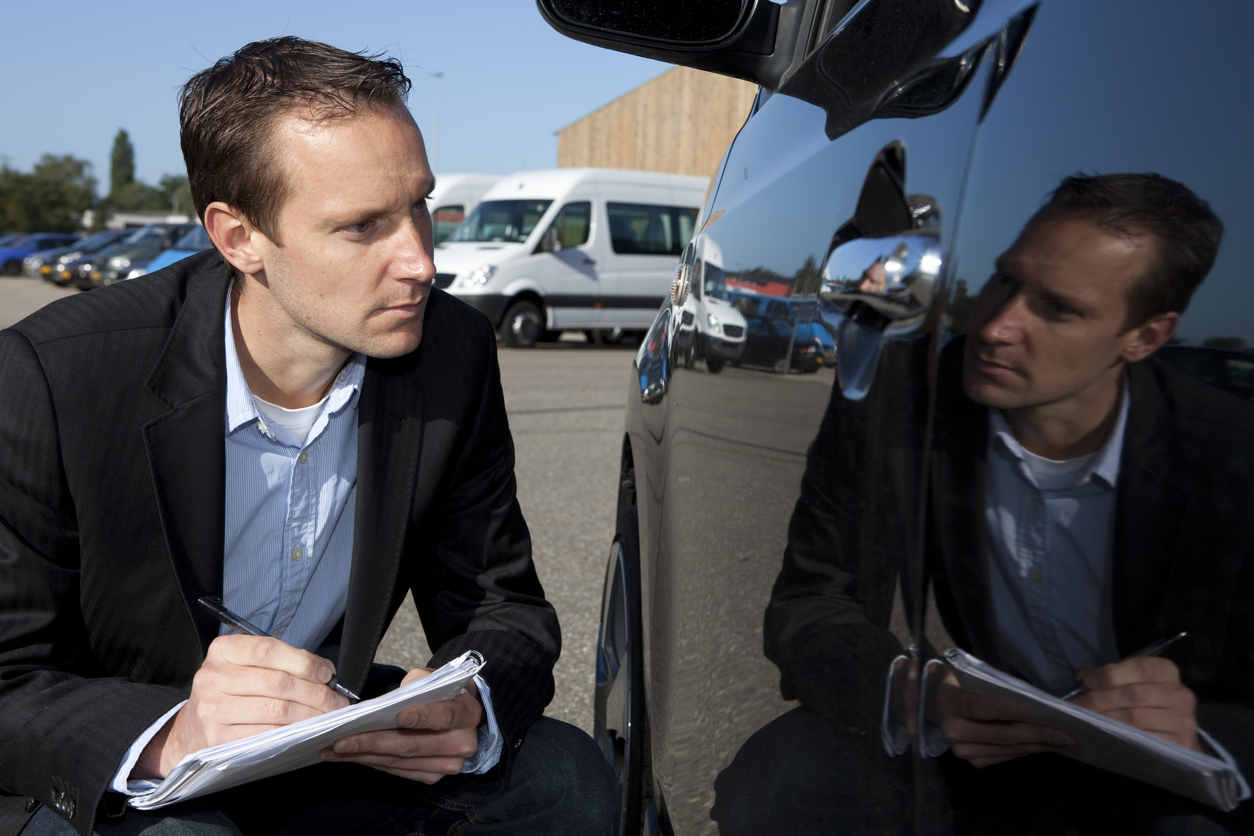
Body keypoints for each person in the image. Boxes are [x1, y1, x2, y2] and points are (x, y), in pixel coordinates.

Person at [0, 37, 613, 836]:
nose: (422, 260)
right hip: (131, 774)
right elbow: (9, 681)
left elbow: (504, 607)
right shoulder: (54, 376)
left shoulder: (451, 353)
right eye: (363, 226)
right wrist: (172, 736)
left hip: (321, 746)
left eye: (420, 205)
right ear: (238, 237)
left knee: (568, 781)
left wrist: (470, 702)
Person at [716, 173, 1254, 833]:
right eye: (1004, 280)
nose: (996, 326)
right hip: (979, 755)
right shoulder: (901, 401)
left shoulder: (1231, 454)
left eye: (1058, 309)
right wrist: (913, 691)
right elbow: (810, 601)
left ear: (1145, 336)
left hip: (1154, 784)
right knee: (782, 775)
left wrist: (1203, 731)